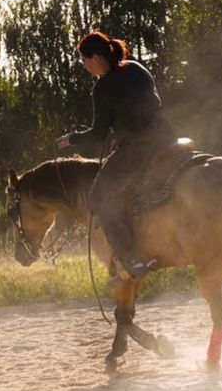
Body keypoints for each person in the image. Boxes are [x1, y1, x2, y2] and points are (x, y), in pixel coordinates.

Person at [57, 31, 176, 280]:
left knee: (99, 198)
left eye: (84, 59)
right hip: (166, 138)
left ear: (97, 57)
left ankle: (132, 258)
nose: (83, 65)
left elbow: (98, 133)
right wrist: (120, 133)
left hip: (138, 149)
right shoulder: (136, 68)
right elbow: (145, 108)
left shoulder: (103, 86)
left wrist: (72, 139)